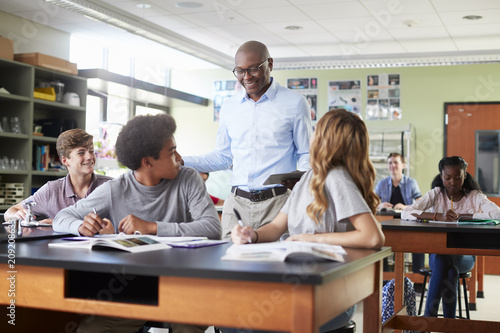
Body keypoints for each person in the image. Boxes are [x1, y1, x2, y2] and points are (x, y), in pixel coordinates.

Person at [53, 114, 221, 333]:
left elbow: (212, 228)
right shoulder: (116, 189)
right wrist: (79, 226)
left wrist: (152, 227)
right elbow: (61, 218)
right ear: (148, 162)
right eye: (171, 153)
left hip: (186, 285)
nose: (180, 158)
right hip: (134, 288)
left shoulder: (188, 178)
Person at [228, 109, 385, 333]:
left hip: (329, 295)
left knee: (245, 322)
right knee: (237, 316)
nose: (310, 136)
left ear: (325, 140)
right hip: (303, 285)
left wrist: (312, 239)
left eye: (315, 130)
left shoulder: (336, 177)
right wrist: (251, 234)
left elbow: (372, 236)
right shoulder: (309, 178)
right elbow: (275, 228)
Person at [183, 40, 312, 239]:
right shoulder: (229, 106)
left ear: (269, 64)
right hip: (236, 205)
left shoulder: (295, 103)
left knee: (276, 265)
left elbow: (306, 153)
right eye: (240, 71)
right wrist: (183, 161)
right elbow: (223, 157)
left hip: (277, 204)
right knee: (229, 265)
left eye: (253, 69)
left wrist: (300, 182)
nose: (247, 77)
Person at [402, 156, 500, 318]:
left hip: (465, 258)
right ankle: (449, 323)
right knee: (448, 268)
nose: (452, 182)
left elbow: (498, 213)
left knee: (445, 263)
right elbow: (406, 212)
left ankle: (428, 320)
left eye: (457, 177)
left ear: (465, 176)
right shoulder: (436, 194)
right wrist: (437, 216)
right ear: (441, 177)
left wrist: (466, 215)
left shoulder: (473, 196)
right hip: (438, 254)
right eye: (447, 178)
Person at [4, 128, 112, 223]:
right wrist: (17, 215)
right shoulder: (51, 191)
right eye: (81, 153)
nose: (90, 157)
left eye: (91, 151)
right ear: (65, 161)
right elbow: (10, 212)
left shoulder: (110, 186)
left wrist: (60, 224)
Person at [374, 153, 423, 274]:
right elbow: (372, 203)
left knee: (419, 245)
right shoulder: (382, 184)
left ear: (403, 165)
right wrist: (380, 205)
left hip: (408, 223)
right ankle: (385, 280)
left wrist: (405, 207)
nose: (393, 165)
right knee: (379, 244)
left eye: (396, 162)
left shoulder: (411, 182)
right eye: (390, 163)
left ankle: (418, 282)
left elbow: (421, 204)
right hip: (387, 223)